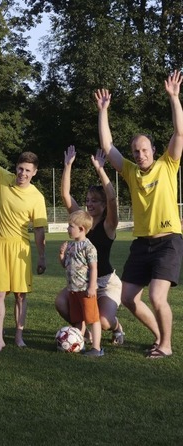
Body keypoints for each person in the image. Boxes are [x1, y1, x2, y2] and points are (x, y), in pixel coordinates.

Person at [95, 71, 183, 359]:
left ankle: (166, 347)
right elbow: (108, 148)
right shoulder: (131, 172)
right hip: (142, 244)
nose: (140, 154)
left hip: (168, 241)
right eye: (136, 150)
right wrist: (103, 111)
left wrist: (173, 98)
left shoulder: (167, 164)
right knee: (128, 297)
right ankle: (160, 337)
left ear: (153, 151)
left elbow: (179, 132)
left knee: (158, 297)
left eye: (144, 149)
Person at [0, 120, 47, 352]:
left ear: (34, 173)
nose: (22, 173)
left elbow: (39, 229)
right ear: (16, 168)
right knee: (0, 294)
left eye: (27, 170)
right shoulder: (3, 178)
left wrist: (42, 257)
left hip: (21, 249)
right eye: (20, 168)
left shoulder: (37, 197)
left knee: (21, 296)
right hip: (0, 246)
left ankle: (19, 336)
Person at [55, 146, 124, 345]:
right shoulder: (82, 222)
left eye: (94, 201)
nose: (89, 204)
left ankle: (116, 327)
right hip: (80, 281)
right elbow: (66, 195)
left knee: (103, 321)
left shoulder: (109, 225)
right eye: (87, 200)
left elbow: (112, 198)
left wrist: (100, 169)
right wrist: (68, 166)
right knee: (60, 302)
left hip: (105, 282)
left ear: (103, 205)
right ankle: (82, 333)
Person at [59, 210, 103, 356]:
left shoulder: (88, 247)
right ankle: (80, 343)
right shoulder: (71, 245)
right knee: (78, 319)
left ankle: (96, 348)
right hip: (73, 289)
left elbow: (94, 268)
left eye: (70, 226)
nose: (67, 229)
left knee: (93, 319)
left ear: (81, 229)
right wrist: (61, 255)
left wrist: (91, 287)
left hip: (85, 290)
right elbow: (66, 265)